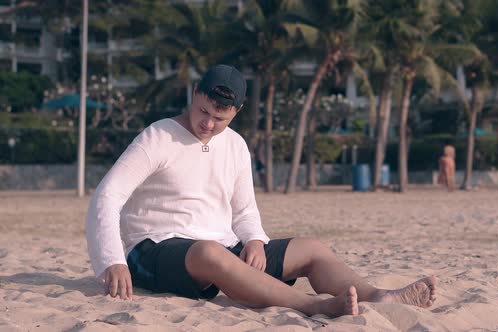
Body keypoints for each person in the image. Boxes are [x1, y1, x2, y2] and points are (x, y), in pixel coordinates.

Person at [86, 64, 437, 318]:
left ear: (236, 113)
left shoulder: (236, 146)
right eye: (203, 111)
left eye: (219, 118)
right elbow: (108, 195)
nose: (207, 123)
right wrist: (113, 262)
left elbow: (244, 211)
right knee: (209, 253)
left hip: (222, 247)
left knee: (312, 248)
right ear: (195, 94)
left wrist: (254, 239)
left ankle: (379, 296)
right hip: (155, 249)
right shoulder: (158, 136)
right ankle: (313, 306)